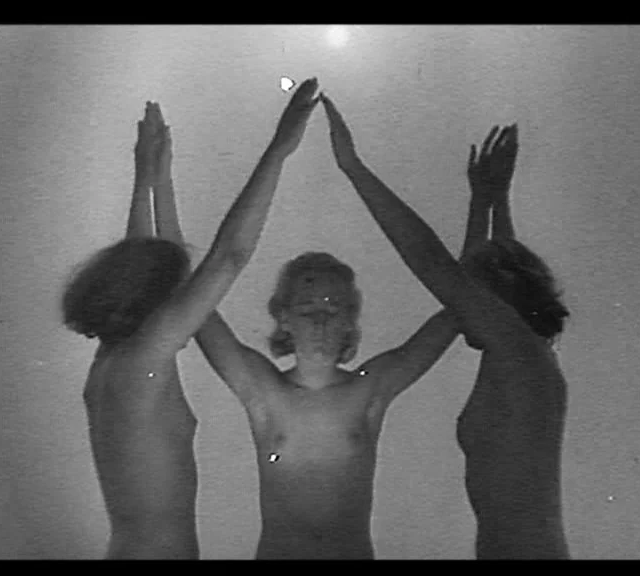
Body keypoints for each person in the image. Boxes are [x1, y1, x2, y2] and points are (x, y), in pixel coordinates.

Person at [61, 78, 321, 559]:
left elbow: (141, 259)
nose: (179, 300)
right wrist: (279, 150)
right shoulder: (144, 357)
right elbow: (229, 256)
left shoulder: (112, 362)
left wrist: (151, 178)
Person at [193, 120, 461, 557]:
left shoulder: (369, 388)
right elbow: (196, 299)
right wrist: (277, 150)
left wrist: (485, 204)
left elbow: (461, 303)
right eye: (307, 310)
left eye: (333, 310)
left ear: (350, 320)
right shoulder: (263, 390)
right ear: (284, 318)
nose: (320, 322)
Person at [319, 94, 571, 559]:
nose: (461, 305)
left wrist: (354, 167)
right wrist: (489, 200)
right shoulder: (522, 356)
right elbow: (483, 273)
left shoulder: (520, 352)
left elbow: (436, 265)